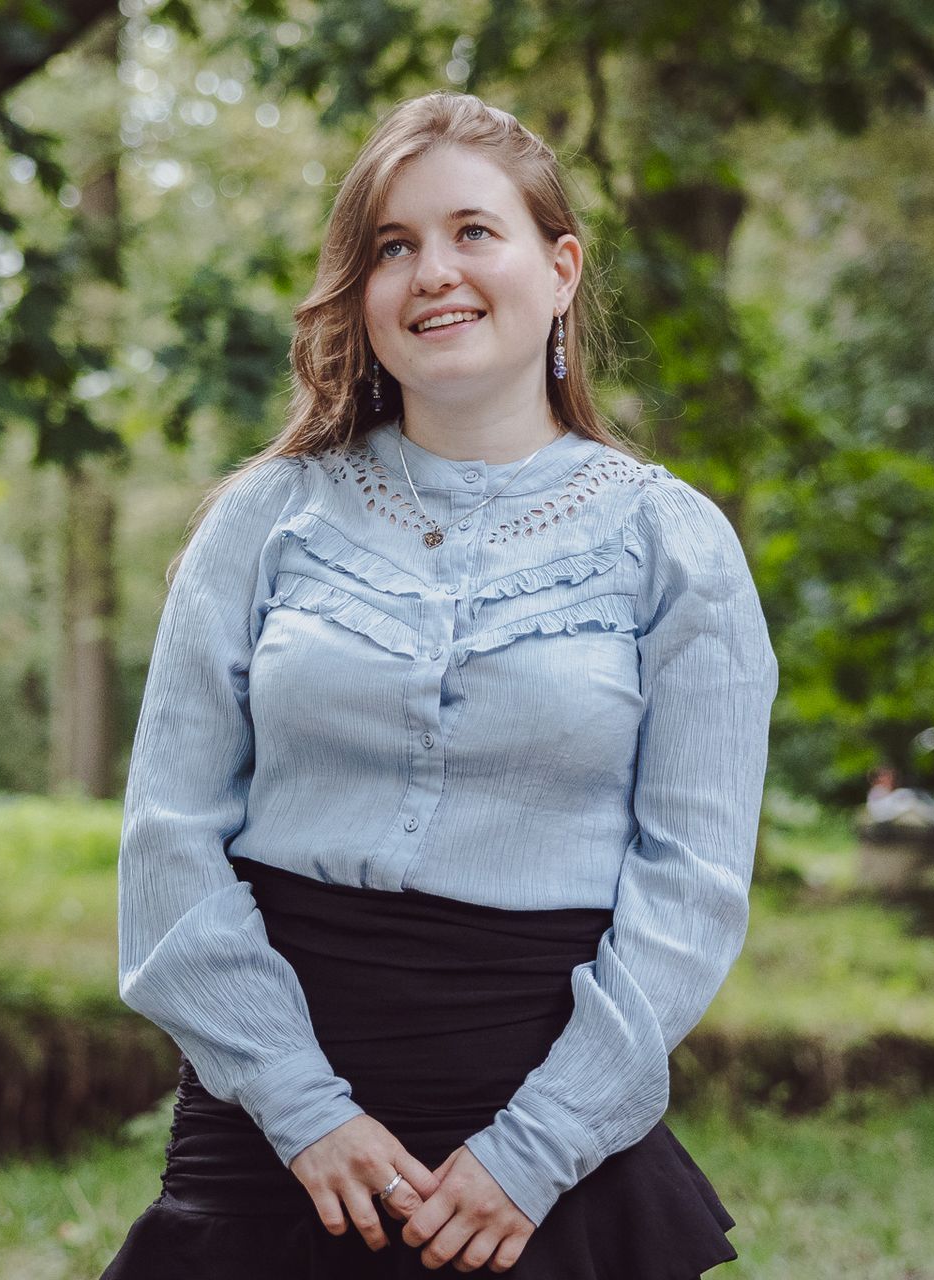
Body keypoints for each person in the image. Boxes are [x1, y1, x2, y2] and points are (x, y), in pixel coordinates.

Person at [100, 91, 778, 1278]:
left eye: (474, 232)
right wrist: (304, 1105)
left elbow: (693, 889)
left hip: (542, 1151)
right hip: (272, 1137)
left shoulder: (677, 545)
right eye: (392, 247)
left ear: (560, 268)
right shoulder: (265, 518)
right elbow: (167, 843)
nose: (432, 273)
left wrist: (536, 1144)